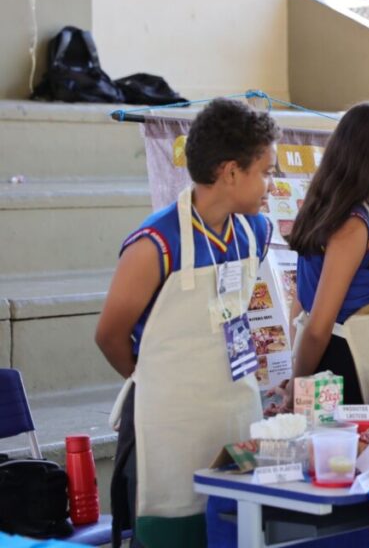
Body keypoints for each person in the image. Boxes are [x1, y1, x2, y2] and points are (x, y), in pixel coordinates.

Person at [95, 98, 279, 547]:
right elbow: (109, 336)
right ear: (231, 172)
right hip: (171, 427)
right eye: (266, 171)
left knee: (240, 530)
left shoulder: (255, 233)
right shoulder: (155, 244)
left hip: (236, 413)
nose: (272, 186)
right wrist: (157, 381)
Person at [286, 101, 369, 406]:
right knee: (344, 452)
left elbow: (300, 301)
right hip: (343, 369)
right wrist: (296, 385)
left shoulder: (345, 212)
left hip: (341, 363)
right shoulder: (354, 225)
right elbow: (317, 326)